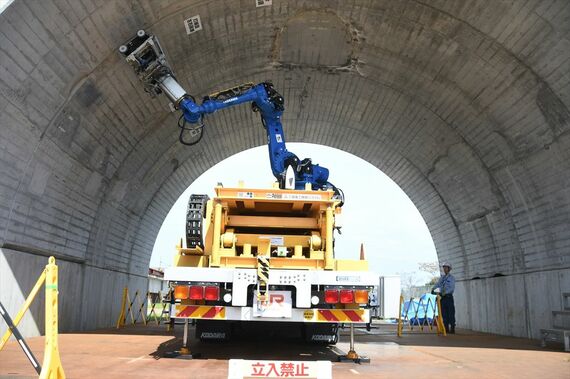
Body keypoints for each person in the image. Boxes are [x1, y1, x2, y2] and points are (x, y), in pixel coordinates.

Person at [432, 262, 455, 334]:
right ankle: (446, 328)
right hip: (443, 298)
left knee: (450, 313)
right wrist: (433, 290)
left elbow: (451, 288)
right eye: (444, 267)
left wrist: (444, 292)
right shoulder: (442, 278)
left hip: (448, 297)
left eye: (446, 267)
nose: (444, 269)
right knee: (444, 313)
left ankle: (452, 328)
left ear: (449, 269)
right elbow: (438, 286)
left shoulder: (451, 278)